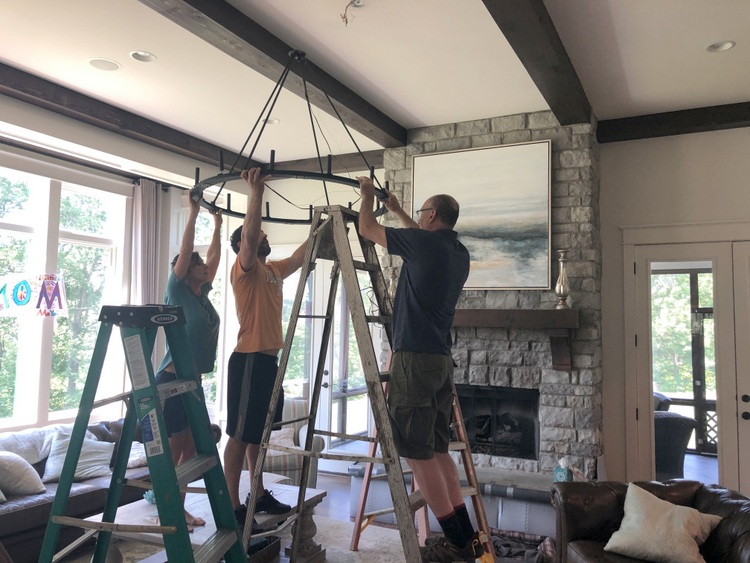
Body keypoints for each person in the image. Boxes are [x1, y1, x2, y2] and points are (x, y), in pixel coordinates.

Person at [356, 177, 485, 562]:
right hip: (441, 360)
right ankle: (467, 539)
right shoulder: (456, 252)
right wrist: (397, 210)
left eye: (420, 213)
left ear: (430, 215)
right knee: (437, 450)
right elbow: (423, 240)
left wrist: (366, 198)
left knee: (416, 454)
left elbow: (366, 228)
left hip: (414, 359)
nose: (418, 219)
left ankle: (457, 544)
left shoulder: (425, 244)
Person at [223, 167, 308, 531]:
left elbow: (302, 257)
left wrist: (327, 225)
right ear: (247, 242)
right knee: (240, 437)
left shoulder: (272, 269)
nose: (265, 235)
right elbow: (252, 230)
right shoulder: (245, 269)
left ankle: (257, 495)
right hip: (248, 361)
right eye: (258, 235)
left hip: (268, 364)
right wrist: (254, 192)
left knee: (257, 435)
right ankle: (231, 506)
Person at [154, 197, 222, 527]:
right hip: (171, 381)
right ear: (184, 270)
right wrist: (194, 214)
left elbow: (214, 258)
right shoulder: (177, 290)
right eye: (196, 265)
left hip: (192, 381)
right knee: (176, 448)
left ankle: (175, 507)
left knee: (194, 449)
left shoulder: (202, 295)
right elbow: (187, 250)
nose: (204, 267)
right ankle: (169, 510)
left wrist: (219, 226)